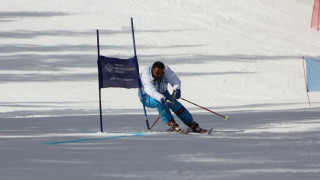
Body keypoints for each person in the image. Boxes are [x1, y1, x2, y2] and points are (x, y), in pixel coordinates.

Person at [139, 61, 203, 132]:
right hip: (147, 97)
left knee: (174, 103)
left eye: (162, 73)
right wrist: (162, 99)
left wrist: (177, 90)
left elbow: (175, 80)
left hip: (163, 92)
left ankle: (191, 123)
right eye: (157, 73)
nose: (160, 75)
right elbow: (151, 91)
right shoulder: (146, 75)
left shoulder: (166, 69)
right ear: (152, 70)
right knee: (159, 102)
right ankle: (171, 123)